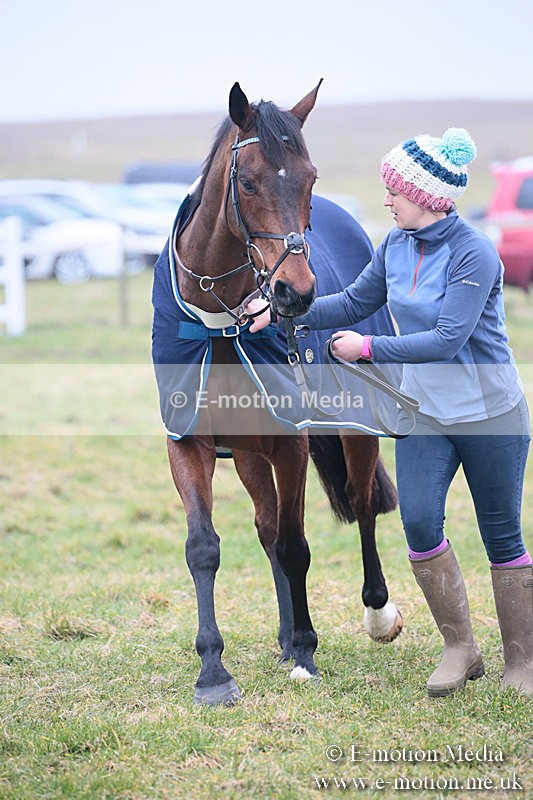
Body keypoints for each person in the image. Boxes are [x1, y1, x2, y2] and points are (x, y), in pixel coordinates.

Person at [246, 128, 532, 697]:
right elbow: (354, 301)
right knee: (420, 525)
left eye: (393, 191)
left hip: (490, 415)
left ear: (424, 196)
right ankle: (460, 649)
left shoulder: (474, 252)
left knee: (502, 535)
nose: (385, 200)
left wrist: (367, 348)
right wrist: (282, 314)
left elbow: (448, 338)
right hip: (425, 413)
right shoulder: (395, 246)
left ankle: (522, 663)